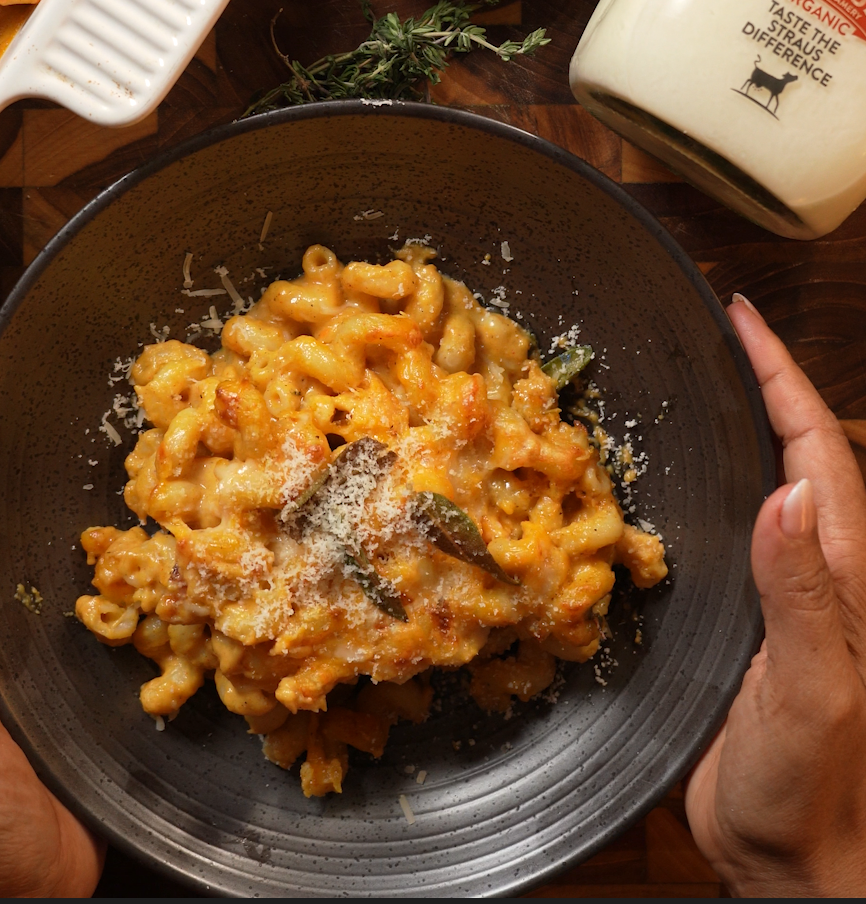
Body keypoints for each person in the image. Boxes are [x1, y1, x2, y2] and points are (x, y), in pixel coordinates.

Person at [2, 296, 865, 898]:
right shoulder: (255, 586)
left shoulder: (474, 509)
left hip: (433, 596)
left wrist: (791, 868)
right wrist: (791, 872)